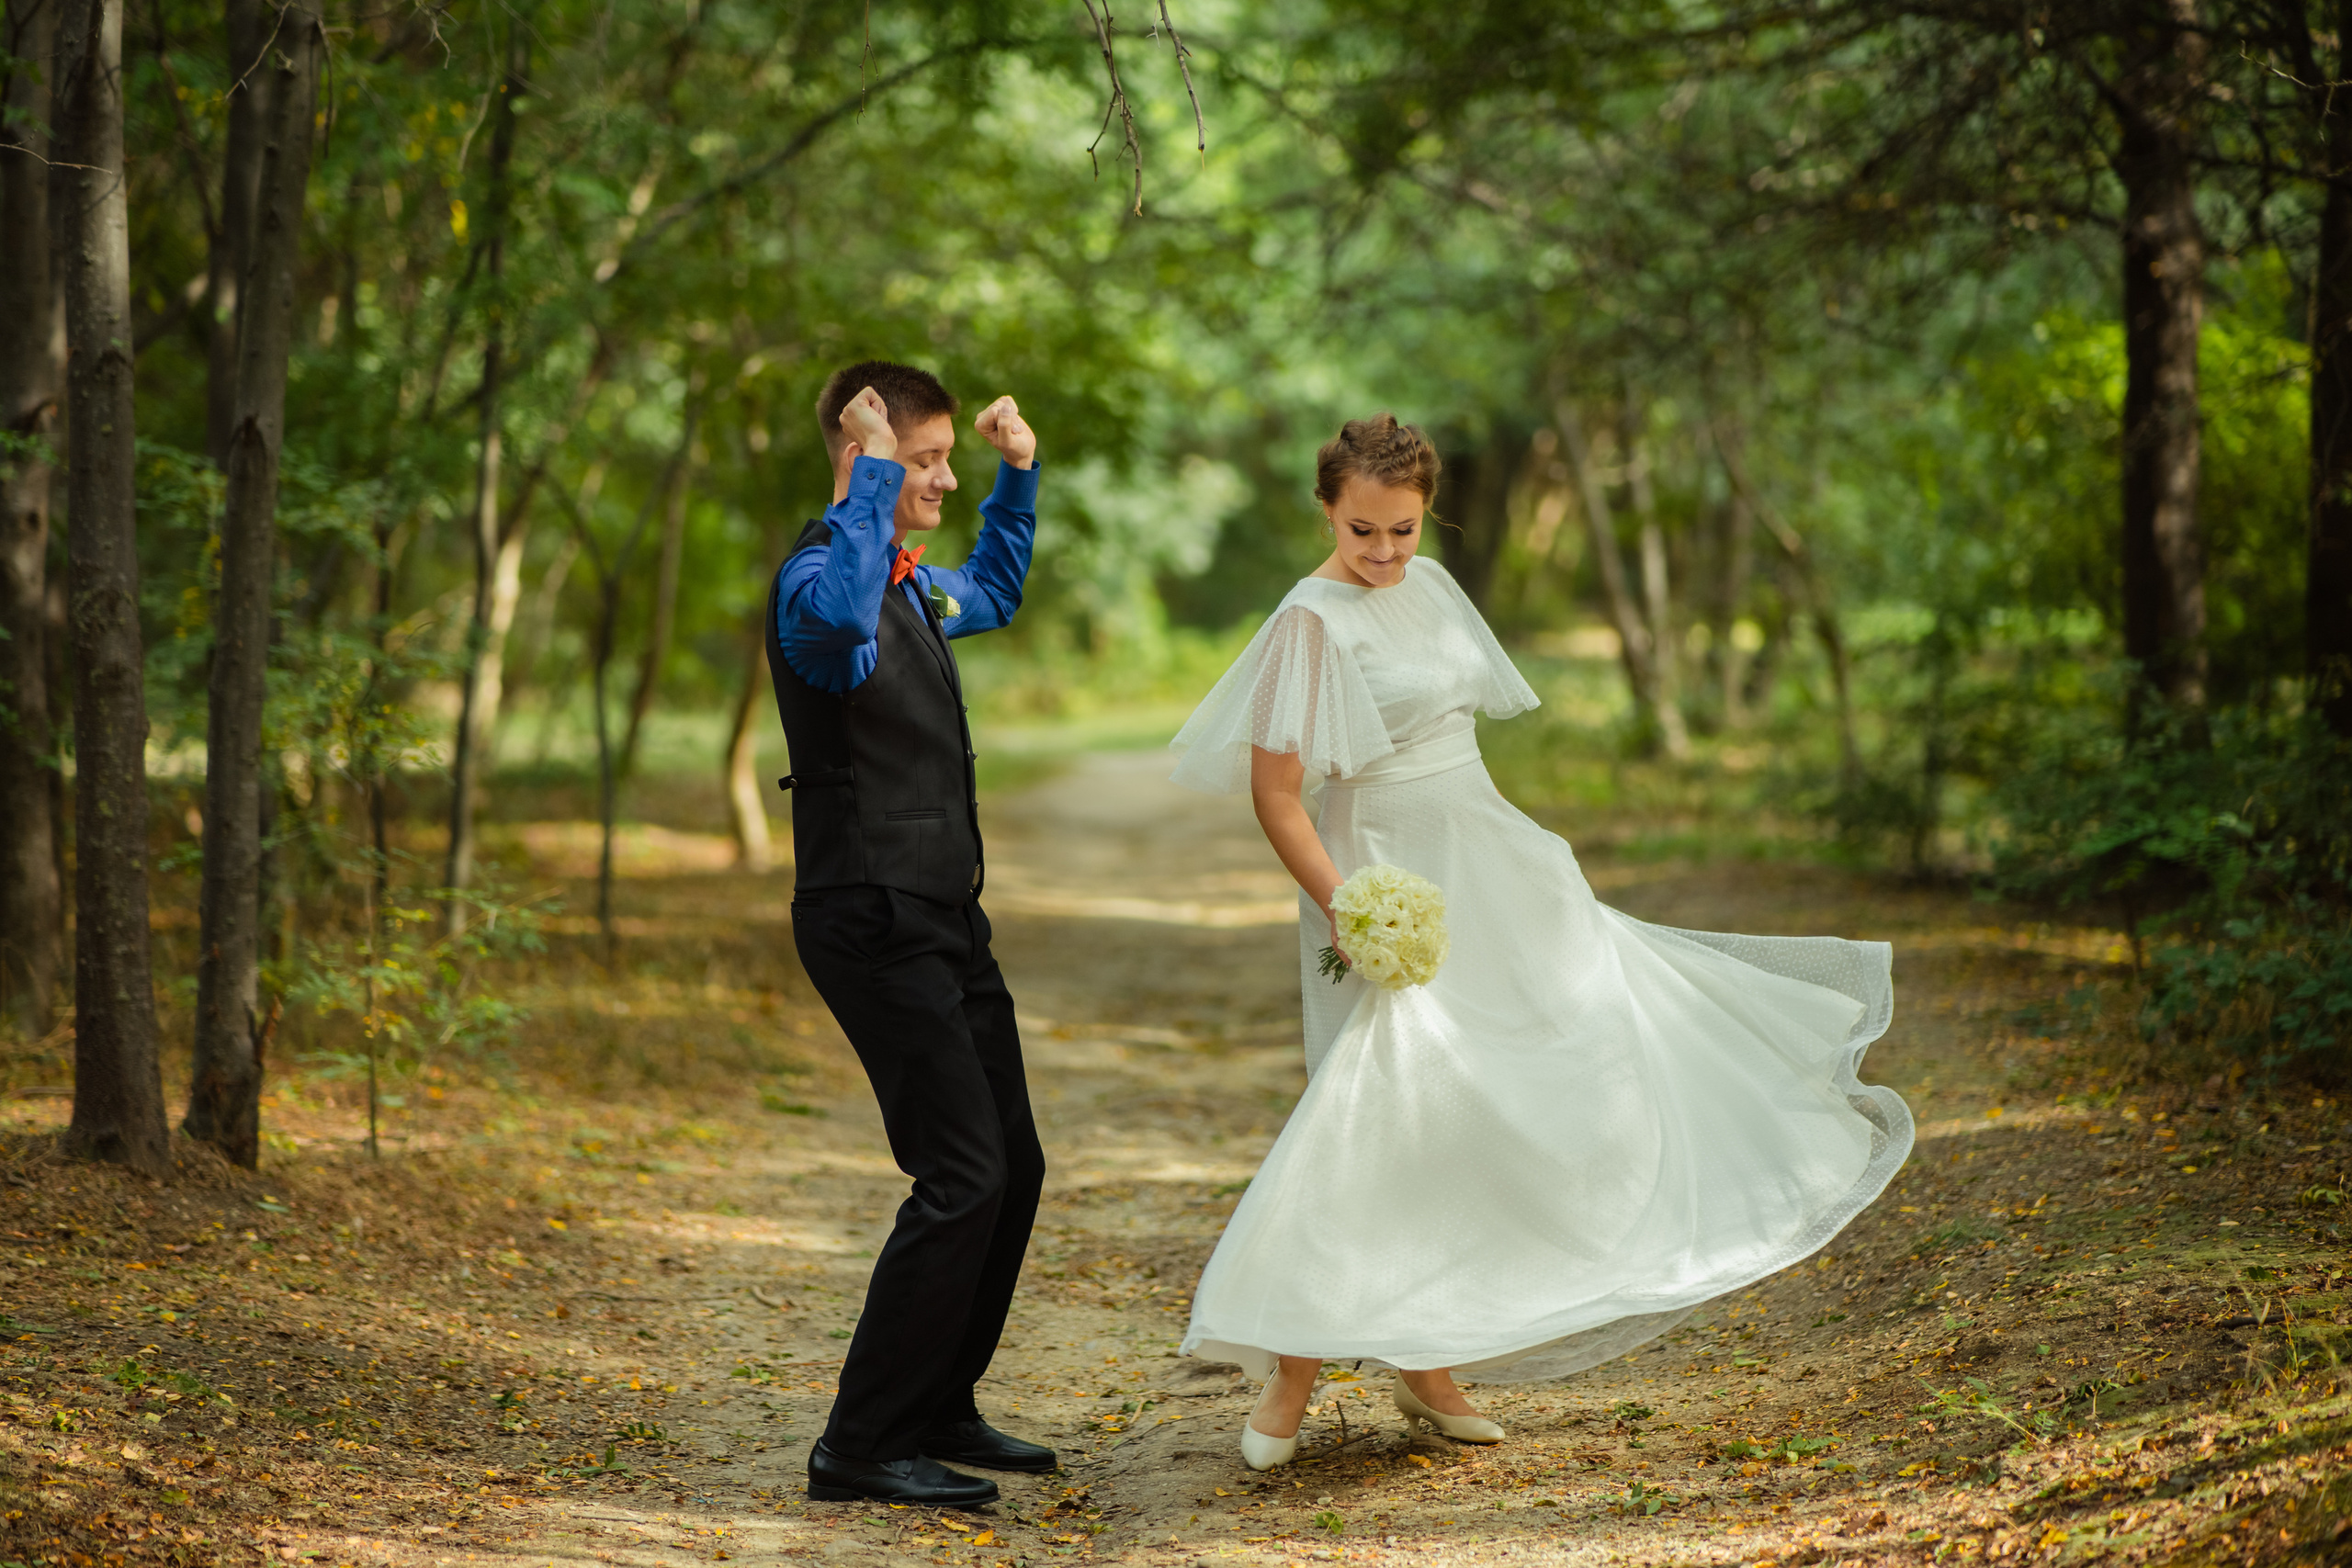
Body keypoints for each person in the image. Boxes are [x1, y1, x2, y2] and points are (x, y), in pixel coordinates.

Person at [1168, 414, 1914, 1472]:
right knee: (1376, 1105)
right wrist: (1350, 909)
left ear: (1428, 513)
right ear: (1325, 510)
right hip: (1380, 879)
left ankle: (1426, 1362)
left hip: (1487, 859)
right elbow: (1278, 796)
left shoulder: (1431, 588)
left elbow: (1458, 737)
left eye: (1403, 530)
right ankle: (1294, 1364)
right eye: (1360, 530)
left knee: (1519, 1085)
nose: (1383, 552)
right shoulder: (1307, 623)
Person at [767, 360, 1052, 1508]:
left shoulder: (912, 587)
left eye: (940, 461)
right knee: (961, 1172)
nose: (941, 479)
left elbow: (996, 590)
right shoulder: (817, 580)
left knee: (1012, 1166)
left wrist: (1016, 474)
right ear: (865, 459)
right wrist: (873, 479)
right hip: (868, 913)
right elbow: (839, 623)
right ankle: (859, 1442)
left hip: (942, 913)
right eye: (923, 461)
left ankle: (937, 1404)